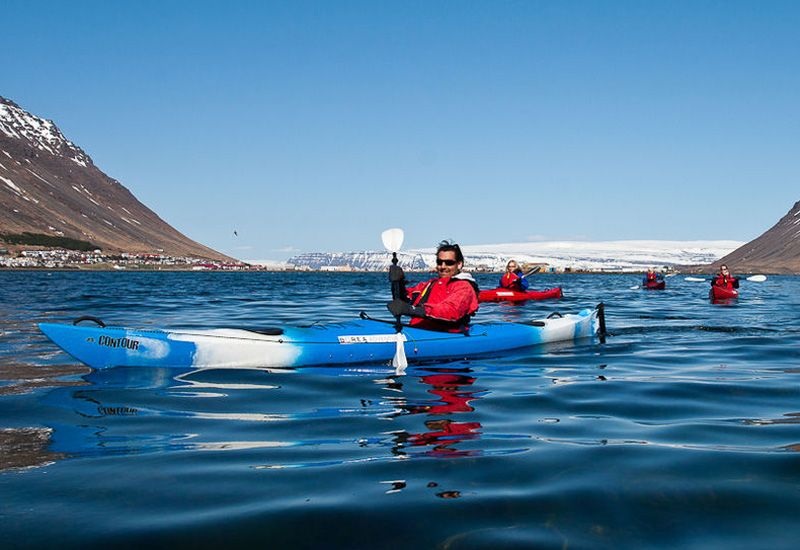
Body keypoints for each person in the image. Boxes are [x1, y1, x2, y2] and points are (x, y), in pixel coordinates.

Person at [387, 240, 479, 332]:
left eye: (449, 263)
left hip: (444, 334)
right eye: (439, 262)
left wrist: (411, 310)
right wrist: (398, 282)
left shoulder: (464, 287)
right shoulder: (429, 284)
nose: (443, 266)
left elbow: (452, 311)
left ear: (459, 264)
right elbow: (406, 299)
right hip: (418, 330)